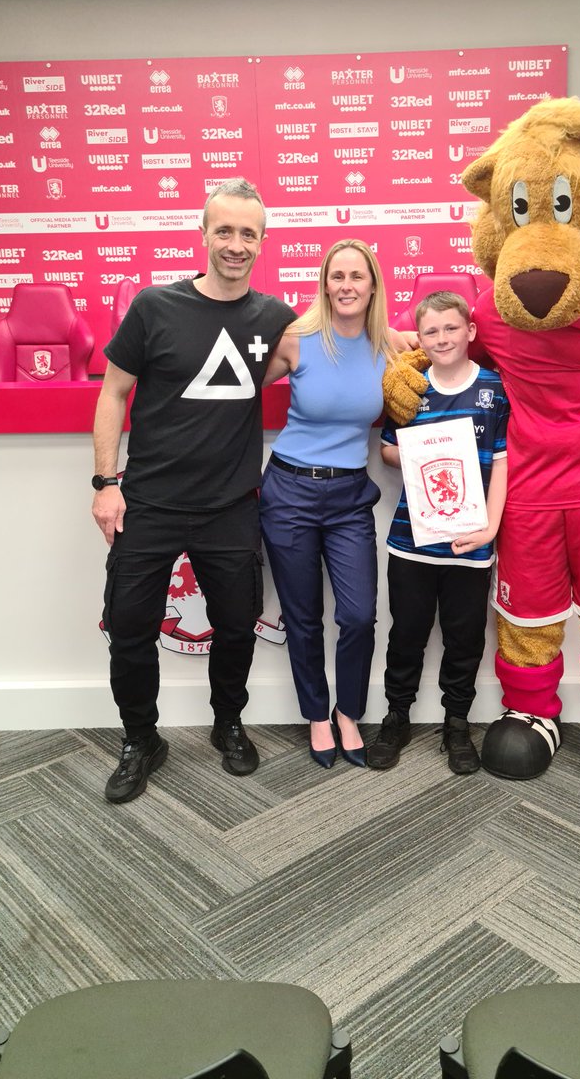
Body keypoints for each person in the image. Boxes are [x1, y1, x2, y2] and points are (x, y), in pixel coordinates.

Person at [91, 178, 295, 803]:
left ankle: (227, 722)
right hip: (147, 501)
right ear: (204, 234)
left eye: (248, 233)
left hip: (230, 505)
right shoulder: (155, 306)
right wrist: (105, 481)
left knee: (236, 626)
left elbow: (345, 336)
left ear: (262, 242)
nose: (236, 244)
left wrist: (413, 344)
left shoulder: (275, 317)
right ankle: (140, 739)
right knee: (129, 629)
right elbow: (112, 394)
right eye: (225, 230)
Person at [260, 239, 411, 769]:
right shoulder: (297, 340)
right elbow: (231, 391)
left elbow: (454, 343)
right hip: (290, 493)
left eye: (357, 276)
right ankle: (317, 716)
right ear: (325, 283)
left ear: (373, 285)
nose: (346, 285)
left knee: (358, 615)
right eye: (337, 276)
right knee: (302, 618)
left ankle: (349, 711)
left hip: (349, 497)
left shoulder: (391, 345)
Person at [370, 290, 509, 774]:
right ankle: (396, 716)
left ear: (470, 331)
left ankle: (457, 722)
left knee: (464, 638)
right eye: (431, 330)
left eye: (452, 328)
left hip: (470, 544)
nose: (442, 338)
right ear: (419, 339)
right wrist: (419, 452)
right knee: (405, 634)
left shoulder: (494, 390)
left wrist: (490, 527)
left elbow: (504, 464)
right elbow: (386, 450)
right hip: (412, 541)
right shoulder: (409, 387)